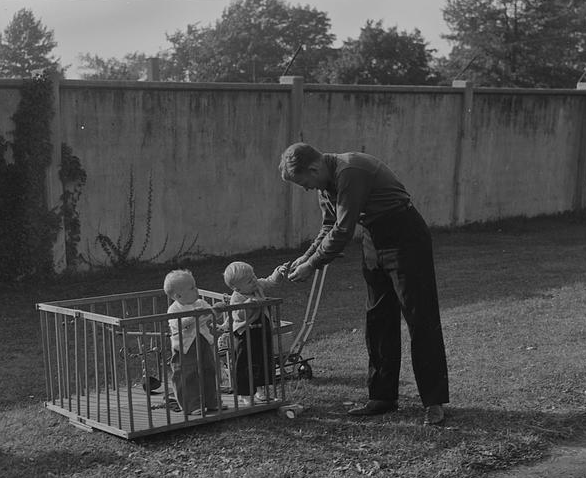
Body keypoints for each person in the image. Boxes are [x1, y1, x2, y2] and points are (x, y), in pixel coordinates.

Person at [278, 142, 448, 425]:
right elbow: (328, 226)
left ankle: (434, 401)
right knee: (378, 317)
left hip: (405, 235)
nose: (306, 188)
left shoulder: (350, 171)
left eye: (303, 182)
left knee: (420, 317)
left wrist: (313, 265)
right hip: (374, 239)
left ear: (314, 167)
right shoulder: (325, 183)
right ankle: (382, 396)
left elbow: (344, 230)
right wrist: (305, 257)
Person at [221, 261, 287, 405]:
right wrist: (249, 304)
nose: (255, 280)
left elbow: (270, 282)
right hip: (245, 333)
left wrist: (278, 272)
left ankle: (260, 390)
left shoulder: (257, 286)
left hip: (261, 330)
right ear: (237, 288)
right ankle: (245, 395)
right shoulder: (237, 297)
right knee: (246, 363)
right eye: (250, 280)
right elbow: (239, 315)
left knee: (262, 360)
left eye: (254, 275)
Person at [163, 269, 222, 416]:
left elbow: (211, 315)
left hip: (202, 342)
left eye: (195, 286)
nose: (197, 290)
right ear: (178, 296)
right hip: (185, 348)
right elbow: (180, 324)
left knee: (209, 369)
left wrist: (217, 310)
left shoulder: (200, 302)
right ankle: (192, 404)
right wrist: (195, 315)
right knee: (187, 374)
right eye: (192, 288)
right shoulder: (174, 309)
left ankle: (212, 400)